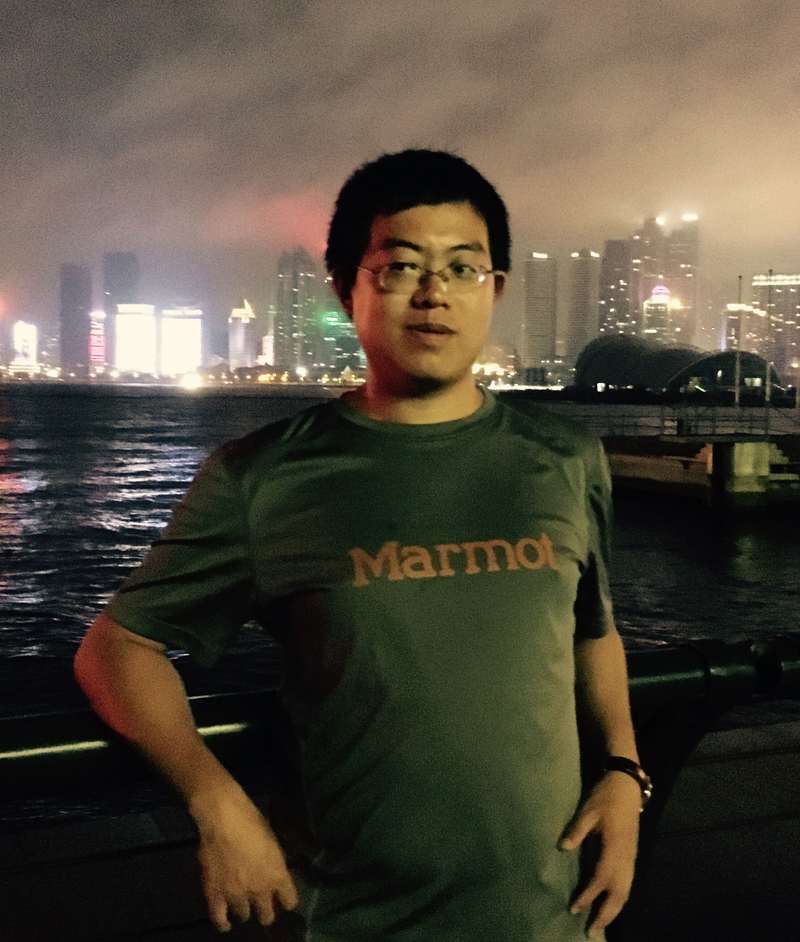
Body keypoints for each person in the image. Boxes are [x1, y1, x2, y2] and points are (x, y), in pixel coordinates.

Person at [74, 149, 649, 941]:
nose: (434, 292)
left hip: (555, 918)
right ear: (348, 289)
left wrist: (623, 770)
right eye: (401, 266)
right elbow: (116, 650)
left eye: (462, 268)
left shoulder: (566, 459)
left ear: (495, 290)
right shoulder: (264, 477)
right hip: (346, 921)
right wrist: (216, 801)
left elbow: (593, 630)